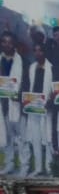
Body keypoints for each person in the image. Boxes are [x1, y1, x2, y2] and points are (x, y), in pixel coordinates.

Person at [20, 42, 53, 176]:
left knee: (48, 139)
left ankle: (49, 168)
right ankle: (38, 168)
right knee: (35, 139)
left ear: (45, 52)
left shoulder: (51, 67)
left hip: (46, 108)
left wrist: (50, 101)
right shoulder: (32, 67)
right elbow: (28, 87)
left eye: (40, 50)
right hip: (33, 108)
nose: (38, 53)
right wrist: (26, 101)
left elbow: (53, 89)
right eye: (35, 50)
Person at [0, 30, 23, 174]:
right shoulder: (0, 59)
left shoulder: (21, 61)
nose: (7, 44)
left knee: (20, 136)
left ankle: (23, 165)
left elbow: (26, 83)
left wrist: (19, 95)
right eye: (4, 41)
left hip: (16, 103)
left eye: (10, 42)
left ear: (14, 44)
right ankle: (9, 164)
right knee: (6, 136)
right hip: (3, 103)